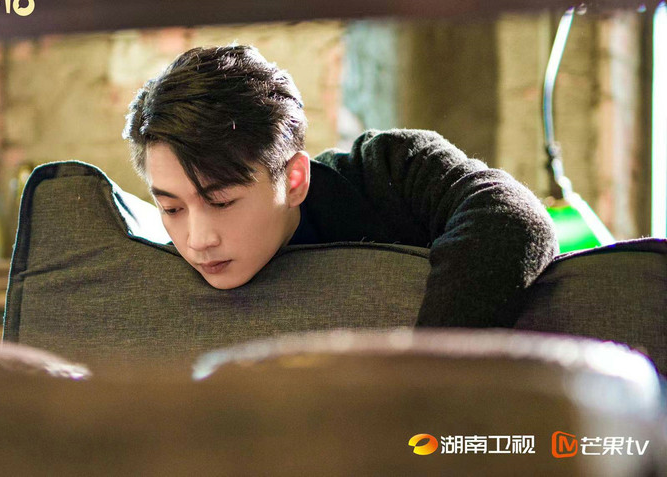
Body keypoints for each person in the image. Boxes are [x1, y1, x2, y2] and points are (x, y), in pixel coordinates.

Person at [122, 45, 558, 328]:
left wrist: (427, 377)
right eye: (173, 209)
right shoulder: (148, 265)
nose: (197, 241)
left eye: (221, 202)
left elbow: (512, 218)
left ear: (294, 179)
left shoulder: (392, 168)